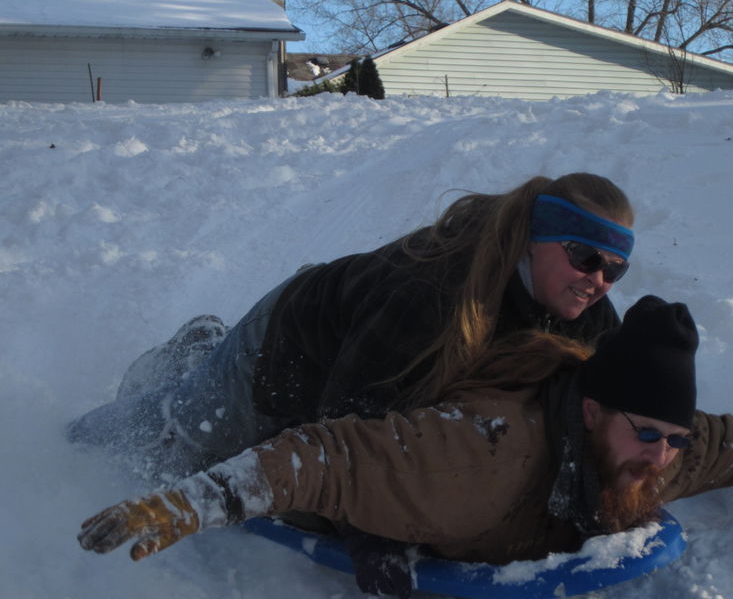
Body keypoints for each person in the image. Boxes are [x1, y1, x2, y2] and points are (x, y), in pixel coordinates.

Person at [68, 172, 635, 596]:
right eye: (585, 257)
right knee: (179, 432)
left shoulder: (584, 313)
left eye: (615, 269)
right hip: (283, 357)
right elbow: (349, 419)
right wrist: (377, 537)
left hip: (356, 356)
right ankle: (78, 432)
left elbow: (613, 408)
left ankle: (203, 347)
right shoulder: (431, 296)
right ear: (537, 239)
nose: (599, 282)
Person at [77, 296, 733, 582]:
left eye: (673, 439)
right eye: (647, 433)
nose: (661, 456)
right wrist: (192, 501)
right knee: (170, 426)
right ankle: (189, 357)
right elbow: (331, 459)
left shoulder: (656, 450)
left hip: (394, 416)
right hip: (284, 412)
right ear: (589, 413)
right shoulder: (486, 457)